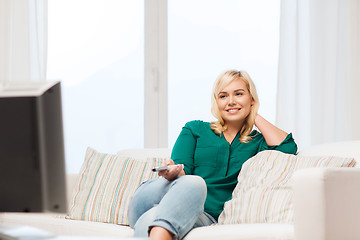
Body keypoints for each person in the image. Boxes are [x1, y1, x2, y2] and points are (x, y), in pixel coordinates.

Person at [128, 70, 297, 240]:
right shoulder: (195, 129)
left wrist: (253, 114)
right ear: (216, 102)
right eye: (223, 96)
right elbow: (182, 173)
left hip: (200, 215)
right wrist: (175, 172)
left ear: (252, 99)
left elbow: (288, 147)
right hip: (154, 197)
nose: (231, 101)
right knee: (194, 183)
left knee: (151, 219)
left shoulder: (257, 142)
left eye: (239, 94)